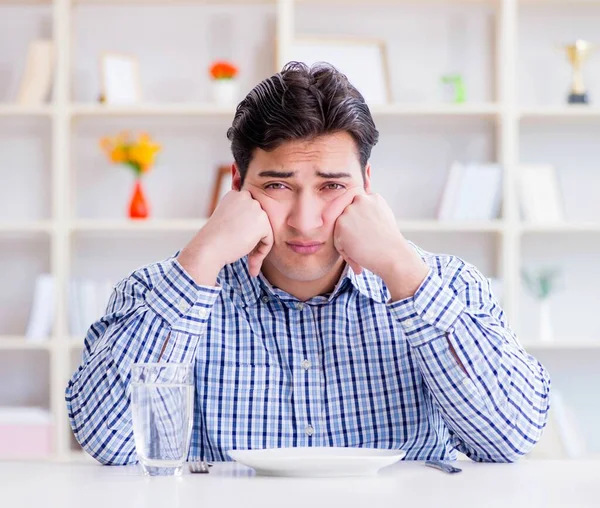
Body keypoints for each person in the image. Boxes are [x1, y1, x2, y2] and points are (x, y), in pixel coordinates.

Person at [66, 61, 551, 465]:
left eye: (332, 187)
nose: (305, 220)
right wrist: (202, 257)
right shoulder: (160, 290)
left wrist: (404, 271)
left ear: (366, 184)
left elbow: (510, 439)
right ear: (237, 184)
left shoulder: (447, 285)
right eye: (277, 186)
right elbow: (112, 445)